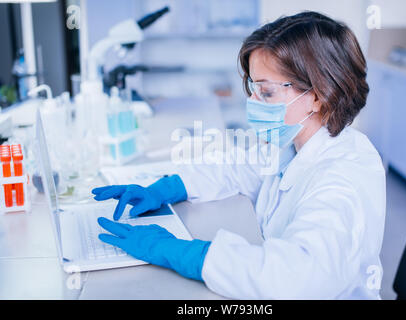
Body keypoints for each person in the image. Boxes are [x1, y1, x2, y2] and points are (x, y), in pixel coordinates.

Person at [92, 11, 386, 299]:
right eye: (252, 87)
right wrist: (167, 188)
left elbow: (293, 279)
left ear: (318, 95)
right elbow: (237, 168)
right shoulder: (292, 144)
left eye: (266, 92)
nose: (252, 102)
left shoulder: (344, 178)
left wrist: (181, 252)